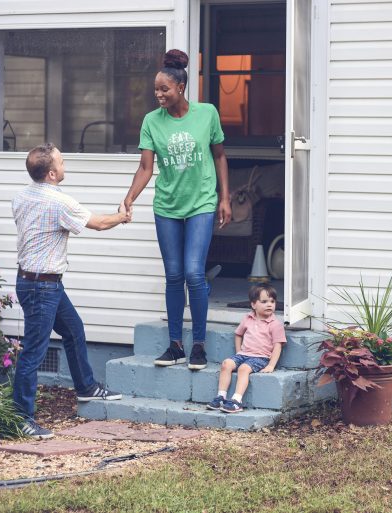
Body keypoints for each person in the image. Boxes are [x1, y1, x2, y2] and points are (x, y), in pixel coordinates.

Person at [123, 49, 231, 371]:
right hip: (167, 206)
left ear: (180, 88)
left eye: (164, 90)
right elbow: (145, 167)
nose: (158, 95)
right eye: (156, 90)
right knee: (174, 275)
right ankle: (175, 346)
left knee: (194, 273)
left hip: (201, 202)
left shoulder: (207, 114)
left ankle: (199, 344)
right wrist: (129, 197)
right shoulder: (151, 122)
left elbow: (220, 156)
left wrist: (224, 197)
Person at [12, 143, 129, 439]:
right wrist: (122, 216)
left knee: (74, 329)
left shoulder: (22, 195)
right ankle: (21, 418)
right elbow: (99, 224)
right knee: (33, 352)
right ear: (52, 173)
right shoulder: (58, 202)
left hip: (34, 282)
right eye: (62, 163)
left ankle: (86, 387)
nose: (65, 166)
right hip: (42, 286)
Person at [207, 284, 286, 413]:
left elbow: (278, 345)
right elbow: (238, 334)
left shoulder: (275, 324)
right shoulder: (247, 319)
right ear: (254, 305)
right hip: (243, 354)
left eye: (272, 301)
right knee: (226, 364)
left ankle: (237, 400)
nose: (269, 305)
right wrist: (239, 351)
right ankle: (221, 397)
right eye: (264, 301)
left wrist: (271, 365)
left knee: (243, 369)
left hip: (261, 357)